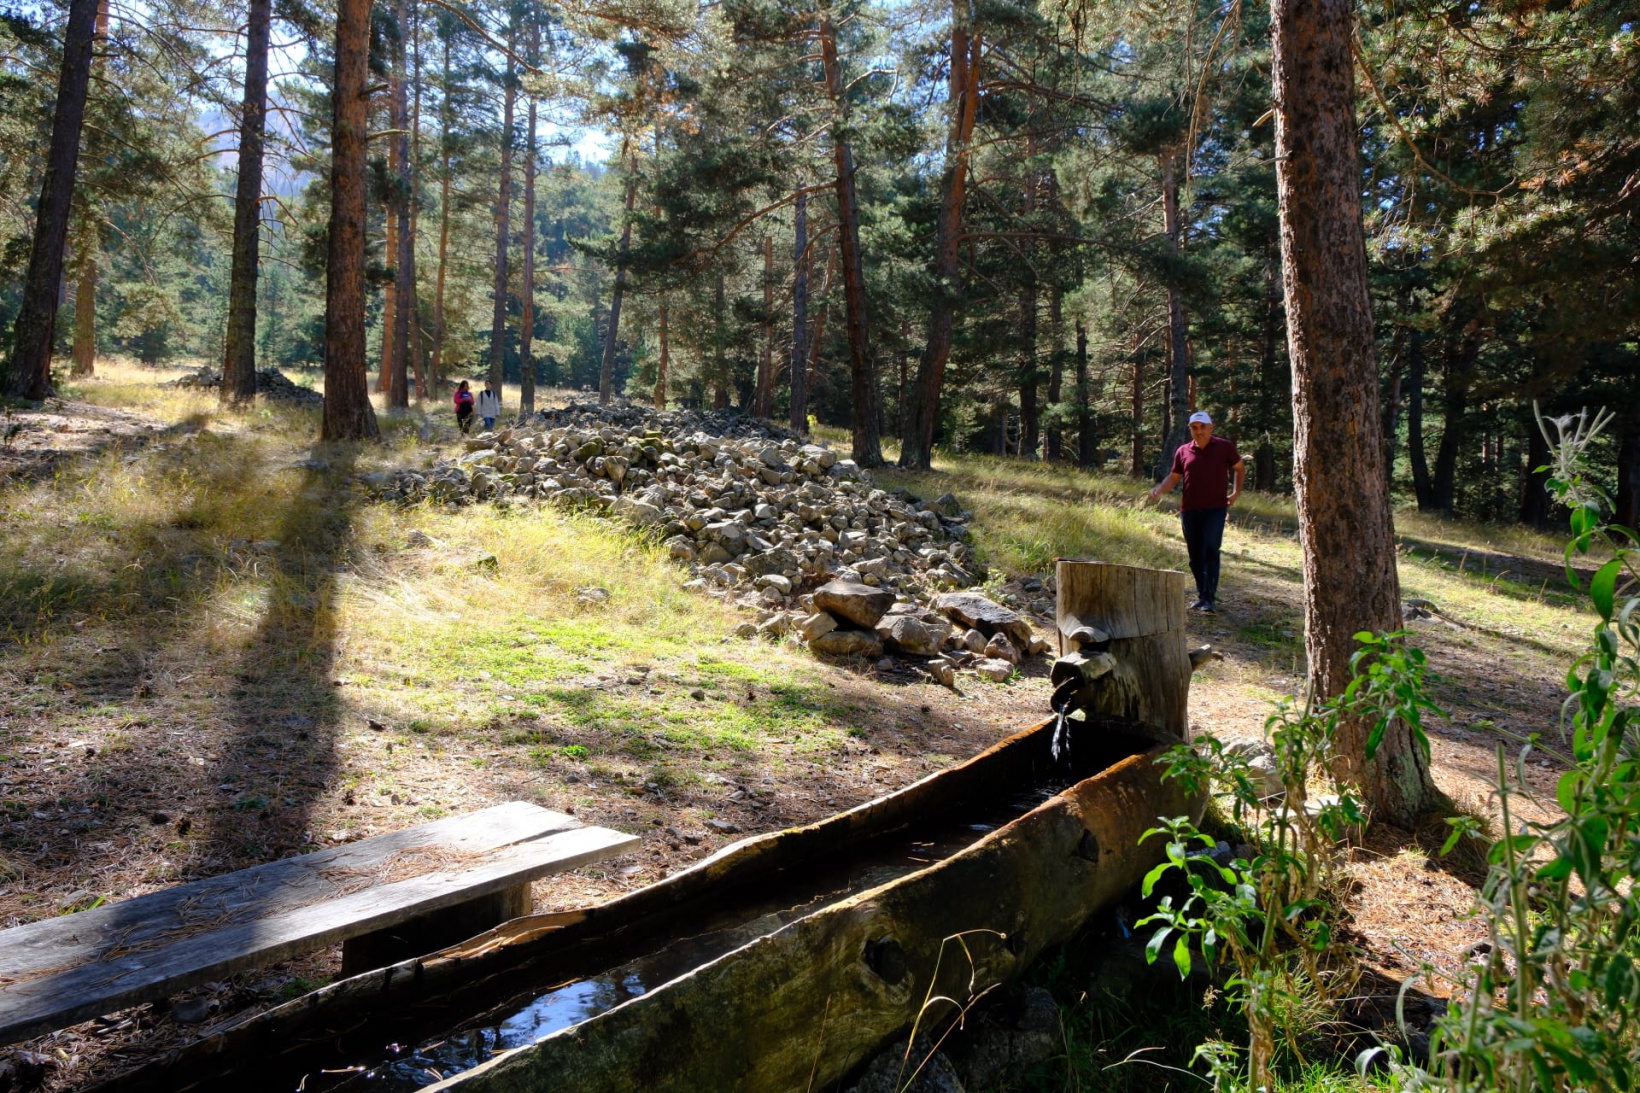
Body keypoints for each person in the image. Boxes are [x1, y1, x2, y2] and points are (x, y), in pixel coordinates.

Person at [1148, 410, 1244, 614]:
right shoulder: (1183, 451)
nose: (1198, 431)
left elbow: (1239, 467)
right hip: (1190, 510)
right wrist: (1159, 489)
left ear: (1211, 427)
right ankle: (1202, 595)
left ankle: (1209, 598)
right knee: (1195, 555)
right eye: (1194, 427)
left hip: (1216, 508)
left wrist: (1235, 492)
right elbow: (1173, 478)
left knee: (1211, 548)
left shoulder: (1224, 447)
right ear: (1190, 429)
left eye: (1202, 427)